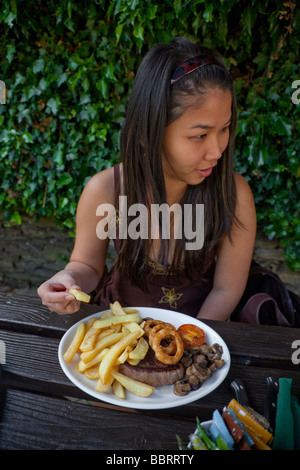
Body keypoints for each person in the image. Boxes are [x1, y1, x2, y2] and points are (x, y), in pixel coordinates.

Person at [37, 36, 257, 321]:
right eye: (199, 135)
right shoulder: (105, 190)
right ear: (148, 132)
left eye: (224, 129)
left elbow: (226, 289)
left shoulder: (233, 194)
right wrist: (67, 278)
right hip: (119, 328)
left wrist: (192, 343)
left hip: (198, 330)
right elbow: (86, 266)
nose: (216, 151)